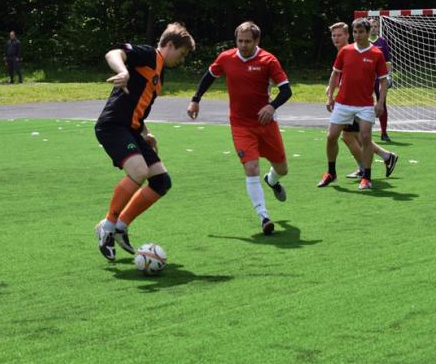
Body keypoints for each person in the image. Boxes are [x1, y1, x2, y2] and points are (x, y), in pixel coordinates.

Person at [94, 23, 196, 261]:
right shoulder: (149, 54)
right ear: (170, 45)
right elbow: (114, 52)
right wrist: (123, 71)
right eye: (181, 54)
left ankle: (121, 226)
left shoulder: (161, 72)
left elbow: (137, 106)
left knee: (161, 181)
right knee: (139, 170)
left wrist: (146, 132)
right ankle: (106, 227)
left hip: (132, 129)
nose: (181, 60)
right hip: (112, 126)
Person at [187, 21, 292, 235]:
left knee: (282, 169)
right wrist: (195, 99)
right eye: (240, 41)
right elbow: (209, 77)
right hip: (240, 125)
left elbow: (286, 91)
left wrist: (272, 107)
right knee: (251, 167)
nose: (243, 45)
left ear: (257, 41)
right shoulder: (226, 58)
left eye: (247, 41)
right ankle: (264, 217)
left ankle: (272, 181)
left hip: (265, 124)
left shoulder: (268, 60)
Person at [318, 18, 388, 190]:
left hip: (365, 104)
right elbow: (335, 75)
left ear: (367, 32)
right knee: (331, 137)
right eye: (355, 32)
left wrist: (380, 103)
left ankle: (367, 176)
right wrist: (330, 96)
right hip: (343, 103)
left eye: (361, 32)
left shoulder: (376, 54)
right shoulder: (345, 51)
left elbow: (384, 82)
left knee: (365, 137)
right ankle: (331, 173)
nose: (357, 35)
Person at [369, 18, 393, 141]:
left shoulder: (382, 42)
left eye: (376, 26)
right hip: (365, 78)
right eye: (371, 26)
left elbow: (388, 62)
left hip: (379, 78)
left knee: (381, 103)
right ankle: (355, 129)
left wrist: (386, 76)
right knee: (361, 103)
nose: (374, 28)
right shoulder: (362, 42)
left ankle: (384, 132)